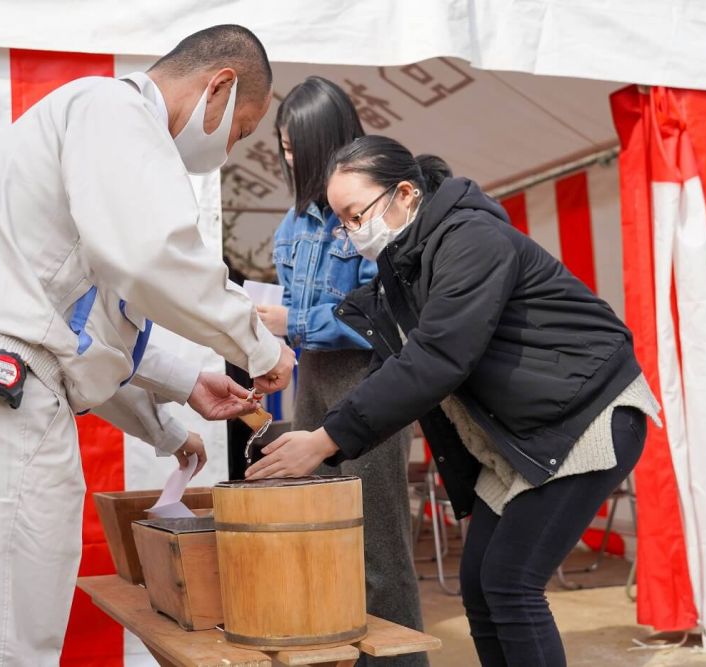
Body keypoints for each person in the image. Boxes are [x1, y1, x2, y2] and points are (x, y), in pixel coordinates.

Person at [0, 25, 296, 666]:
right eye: (240, 129)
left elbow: (84, 336)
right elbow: (151, 259)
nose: (230, 147)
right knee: (1, 650)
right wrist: (260, 345)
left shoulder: (76, 136)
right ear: (220, 85)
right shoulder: (115, 110)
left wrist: (179, 400)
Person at [247, 135, 660, 667]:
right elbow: (393, 367)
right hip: (521, 430)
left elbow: (438, 358)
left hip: (584, 416)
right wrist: (321, 432)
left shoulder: (472, 238)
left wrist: (327, 439)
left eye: (355, 215)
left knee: (511, 584)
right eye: (342, 222)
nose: (350, 233)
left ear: (405, 195)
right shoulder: (404, 265)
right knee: (480, 585)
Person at [254, 77, 426, 667]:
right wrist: (273, 338)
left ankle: (401, 660)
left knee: (377, 545)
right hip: (312, 382)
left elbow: (383, 315)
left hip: (371, 379)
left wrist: (290, 321)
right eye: (283, 146)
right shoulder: (291, 223)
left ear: (332, 141)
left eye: (297, 144)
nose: (289, 157)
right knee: (317, 531)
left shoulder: (375, 211)